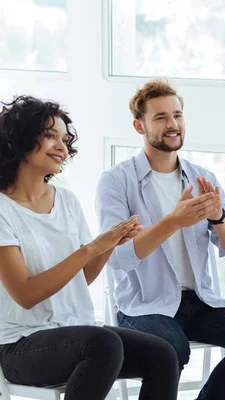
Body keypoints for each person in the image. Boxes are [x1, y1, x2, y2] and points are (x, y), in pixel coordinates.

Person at [96, 78, 225, 400]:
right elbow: (118, 257)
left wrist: (218, 218)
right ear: (139, 126)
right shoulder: (116, 182)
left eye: (177, 115)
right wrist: (173, 221)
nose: (173, 124)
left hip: (198, 301)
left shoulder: (203, 177)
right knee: (169, 347)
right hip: (144, 305)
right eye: (160, 117)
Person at [0, 95, 179, 400]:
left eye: (65, 138)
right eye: (49, 136)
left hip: (75, 333)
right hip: (20, 346)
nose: (62, 146)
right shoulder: (4, 209)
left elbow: (80, 280)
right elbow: (26, 295)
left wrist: (109, 244)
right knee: (102, 343)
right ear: (20, 138)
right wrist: (92, 247)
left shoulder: (66, 201)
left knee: (162, 354)